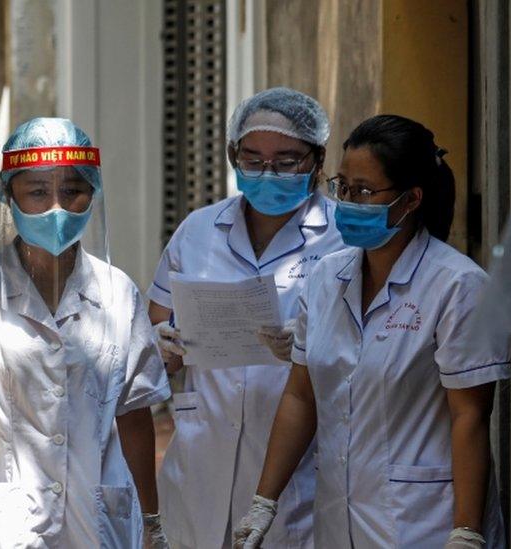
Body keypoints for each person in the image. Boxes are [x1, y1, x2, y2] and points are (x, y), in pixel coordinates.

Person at [0, 117, 172, 548]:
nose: (56, 207)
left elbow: (133, 414)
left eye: (72, 191)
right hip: (2, 527)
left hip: (96, 525)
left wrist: (151, 521)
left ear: (91, 194)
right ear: (10, 197)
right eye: (37, 192)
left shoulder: (118, 294)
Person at [234, 114, 510, 548]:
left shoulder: (457, 286)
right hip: (339, 517)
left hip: (425, 523)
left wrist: (466, 531)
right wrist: (263, 502)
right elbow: (300, 396)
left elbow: (470, 416)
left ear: (410, 199)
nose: (346, 201)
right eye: (341, 187)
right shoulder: (326, 279)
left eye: (363, 191)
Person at [149, 87, 345, 548]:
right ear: (233, 154)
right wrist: (161, 345)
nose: (268, 173)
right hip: (202, 457)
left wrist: (311, 345)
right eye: (253, 159)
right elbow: (153, 340)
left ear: (317, 160)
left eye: (286, 161)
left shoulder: (342, 237)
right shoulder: (198, 230)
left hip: (300, 473)